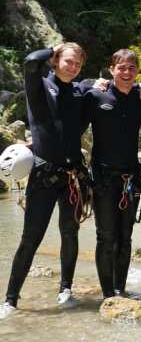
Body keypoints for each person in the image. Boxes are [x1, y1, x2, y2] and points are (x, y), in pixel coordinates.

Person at [1, 44, 93, 317]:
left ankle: (65, 289)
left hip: (72, 177)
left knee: (70, 232)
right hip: (43, 175)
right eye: (68, 61)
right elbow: (30, 60)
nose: (73, 66)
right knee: (31, 238)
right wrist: (55, 48)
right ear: (55, 61)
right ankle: (10, 300)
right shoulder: (39, 86)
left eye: (77, 63)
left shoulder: (79, 93)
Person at [83, 49, 141, 299]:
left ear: (137, 71)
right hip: (103, 179)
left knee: (125, 237)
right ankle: (107, 294)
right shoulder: (95, 96)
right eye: (121, 67)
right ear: (111, 69)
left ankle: (121, 289)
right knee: (106, 237)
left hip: (130, 179)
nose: (126, 72)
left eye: (132, 68)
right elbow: (68, 114)